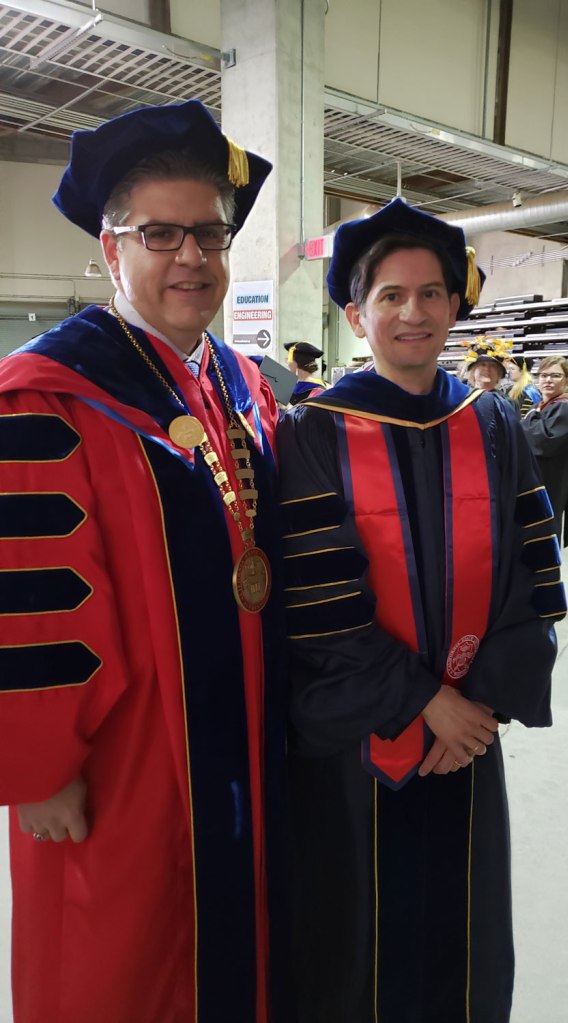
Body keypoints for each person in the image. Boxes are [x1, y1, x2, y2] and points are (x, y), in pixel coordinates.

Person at [0, 100, 287, 1023]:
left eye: (209, 231)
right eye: (160, 233)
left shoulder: (234, 382)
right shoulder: (47, 396)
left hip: (240, 736)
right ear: (109, 247)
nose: (191, 257)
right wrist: (40, 766)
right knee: (122, 965)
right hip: (122, 763)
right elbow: (28, 596)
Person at [276, 198, 566, 1023]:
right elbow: (315, 595)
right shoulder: (311, 430)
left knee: (461, 932)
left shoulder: (495, 420)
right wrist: (421, 700)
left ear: (454, 304)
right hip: (360, 741)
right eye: (392, 295)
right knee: (356, 933)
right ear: (355, 311)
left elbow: (532, 571)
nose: (414, 311)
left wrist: (480, 703)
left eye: (432, 293)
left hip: (467, 739)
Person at [523, 355, 568, 547]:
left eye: (555, 375)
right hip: (538, 479)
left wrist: (529, 420)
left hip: (551, 480)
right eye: (543, 375)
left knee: (544, 532)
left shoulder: (566, 407)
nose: (547, 380)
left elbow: (542, 441)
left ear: (567, 380)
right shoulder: (540, 406)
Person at [505, 352, 540, 417]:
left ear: (522, 370)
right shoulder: (510, 389)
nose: (509, 372)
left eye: (512, 369)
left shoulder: (530, 392)